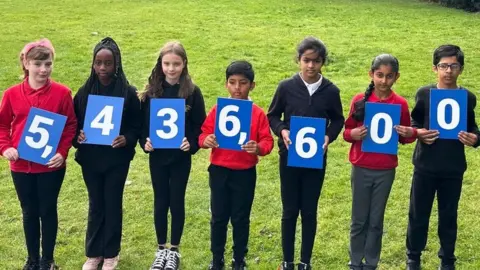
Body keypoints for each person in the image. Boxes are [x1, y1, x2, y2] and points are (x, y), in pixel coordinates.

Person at [267, 36, 344, 270]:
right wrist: (283, 131)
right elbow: (272, 115)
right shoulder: (286, 87)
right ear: (299, 60)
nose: (311, 66)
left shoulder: (331, 91)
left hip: (315, 158)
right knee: (290, 210)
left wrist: (328, 136)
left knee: (309, 211)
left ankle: (305, 262)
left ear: (323, 62)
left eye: (316, 61)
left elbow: (338, 118)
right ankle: (287, 261)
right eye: (306, 60)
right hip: (289, 157)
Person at [0, 38, 77, 270]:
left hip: (50, 165)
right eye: (38, 64)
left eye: (48, 64)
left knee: (47, 209)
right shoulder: (12, 94)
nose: (43, 70)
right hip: (21, 165)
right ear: (26, 64)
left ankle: (48, 260)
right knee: (29, 211)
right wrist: (6, 147)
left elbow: (70, 125)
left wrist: (63, 152)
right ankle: (32, 259)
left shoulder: (62, 93)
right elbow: (2, 125)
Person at [406, 45, 480, 270]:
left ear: (461, 69)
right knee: (418, 214)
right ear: (435, 68)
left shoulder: (467, 97)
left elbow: (474, 128)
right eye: (443, 66)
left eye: (453, 66)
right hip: (425, 165)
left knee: (448, 215)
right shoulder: (424, 94)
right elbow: (414, 123)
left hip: (453, 167)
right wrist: (418, 133)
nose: (448, 71)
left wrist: (475, 139)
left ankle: (447, 259)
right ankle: (413, 257)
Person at [73, 37, 141, 270]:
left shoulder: (128, 93)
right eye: (98, 63)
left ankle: (111, 253)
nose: (102, 68)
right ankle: (93, 253)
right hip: (91, 159)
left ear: (116, 65)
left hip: (116, 160)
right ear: (93, 64)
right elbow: (74, 124)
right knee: (96, 203)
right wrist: (77, 137)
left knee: (112, 202)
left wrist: (127, 139)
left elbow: (136, 124)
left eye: (108, 63)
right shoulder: (84, 92)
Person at [343, 54, 416, 270]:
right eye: (379, 75)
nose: (384, 81)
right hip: (361, 166)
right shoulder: (360, 100)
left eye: (389, 76)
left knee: (376, 220)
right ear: (371, 74)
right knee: (358, 219)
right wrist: (353, 134)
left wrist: (408, 132)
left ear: (396, 77)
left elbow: (406, 137)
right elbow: (347, 131)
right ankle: (355, 261)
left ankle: (371, 262)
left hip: (385, 170)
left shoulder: (400, 104)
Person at [200, 60, 274, 270]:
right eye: (232, 82)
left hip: (244, 172)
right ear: (226, 84)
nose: (237, 88)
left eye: (242, 83)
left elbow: (267, 141)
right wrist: (205, 140)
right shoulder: (218, 110)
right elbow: (204, 133)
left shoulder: (257, 113)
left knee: (240, 218)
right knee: (218, 217)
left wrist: (258, 148)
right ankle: (217, 259)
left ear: (252, 85)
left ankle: (239, 259)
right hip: (219, 170)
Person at [139, 41, 206, 270]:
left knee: (177, 200)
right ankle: (160, 249)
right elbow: (141, 126)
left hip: (180, 158)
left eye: (176, 64)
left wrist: (192, 143)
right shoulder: (151, 92)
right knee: (160, 200)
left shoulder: (192, 92)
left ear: (184, 64)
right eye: (167, 63)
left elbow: (200, 125)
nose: (171, 68)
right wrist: (144, 142)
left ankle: (174, 250)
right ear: (160, 64)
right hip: (157, 157)